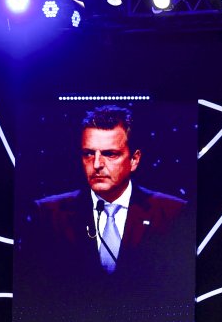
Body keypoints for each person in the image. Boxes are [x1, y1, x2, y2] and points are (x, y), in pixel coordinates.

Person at [28, 105, 187, 280]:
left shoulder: (172, 212)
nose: (96, 164)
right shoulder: (49, 213)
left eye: (110, 154)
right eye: (88, 154)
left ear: (134, 160)